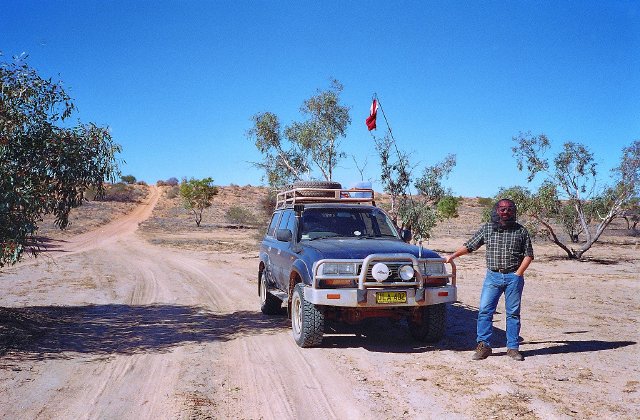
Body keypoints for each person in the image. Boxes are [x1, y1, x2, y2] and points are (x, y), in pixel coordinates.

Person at [445, 198, 534, 361]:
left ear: (513, 211)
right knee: (485, 311)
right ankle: (483, 346)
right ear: (496, 211)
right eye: (502, 209)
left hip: (513, 277)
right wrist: (452, 256)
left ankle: (513, 348)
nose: (506, 212)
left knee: (513, 314)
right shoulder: (488, 228)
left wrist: (518, 274)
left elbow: (528, 255)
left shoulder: (521, 231)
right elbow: (470, 245)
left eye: (509, 209)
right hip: (492, 277)